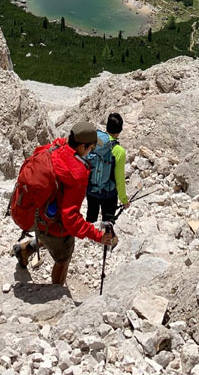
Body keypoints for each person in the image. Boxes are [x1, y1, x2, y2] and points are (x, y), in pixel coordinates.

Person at [12, 119, 117, 285]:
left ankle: (24, 250)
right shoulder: (77, 173)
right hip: (50, 218)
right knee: (63, 256)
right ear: (82, 147)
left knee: (50, 233)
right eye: (92, 147)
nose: (92, 150)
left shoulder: (56, 145)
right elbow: (71, 219)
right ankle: (57, 295)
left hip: (31, 208)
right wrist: (98, 236)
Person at [86, 112, 128, 224]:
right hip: (109, 193)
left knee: (91, 218)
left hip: (91, 188)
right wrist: (124, 200)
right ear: (120, 130)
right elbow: (119, 179)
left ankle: (88, 239)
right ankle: (106, 239)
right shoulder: (119, 151)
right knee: (108, 223)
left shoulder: (95, 141)